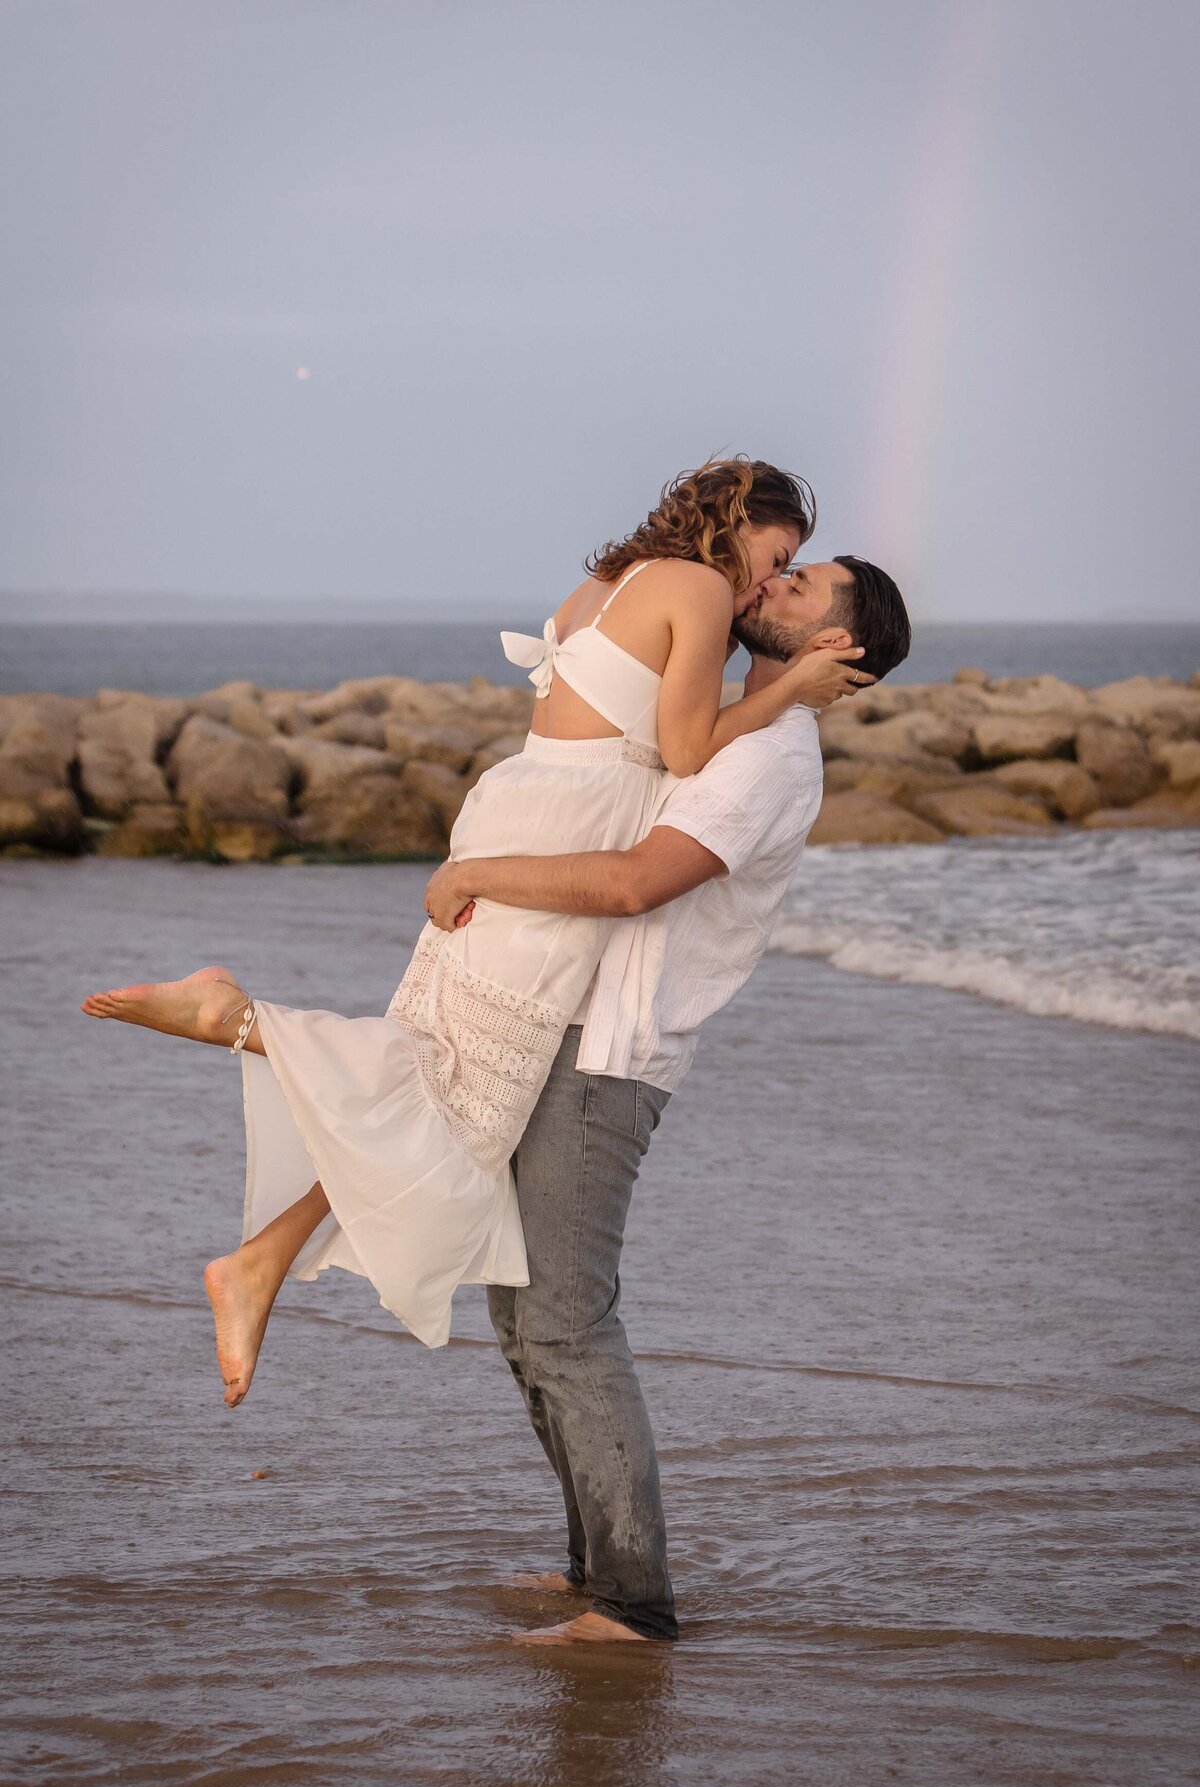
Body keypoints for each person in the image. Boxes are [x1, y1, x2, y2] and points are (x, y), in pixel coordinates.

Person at [80, 458, 868, 1408]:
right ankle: (237, 1022)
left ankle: (259, 1264)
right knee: (460, 1097)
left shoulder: (608, 584)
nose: (760, 584)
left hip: (524, 808)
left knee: (440, 1079)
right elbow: (689, 749)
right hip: (567, 836)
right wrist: (795, 690)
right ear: (735, 524)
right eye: (773, 556)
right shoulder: (698, 586)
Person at [422, 555, 912, 1644]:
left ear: (838, 648)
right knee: (524, 1314)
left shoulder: (774, 758)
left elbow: (635, 881)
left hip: (613, 1058)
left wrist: (476, 872)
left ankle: (634, 1605)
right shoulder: (737, 725)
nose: (766, 587)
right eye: (775, 570)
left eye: (798, 589)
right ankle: (592, 1567)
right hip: (571, 1029)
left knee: (566, 1320)